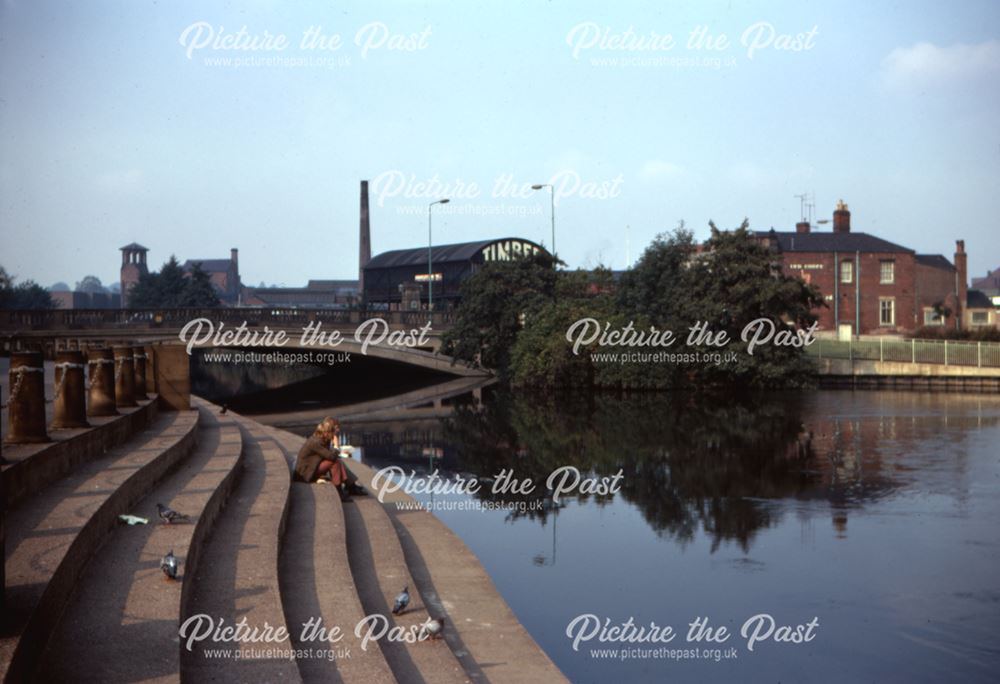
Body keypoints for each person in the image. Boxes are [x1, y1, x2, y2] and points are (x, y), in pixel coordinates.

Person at [294, 417, 366, 500]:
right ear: (331, 429)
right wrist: (336, 446)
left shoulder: (323, 438)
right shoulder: (316, 442)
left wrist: (336, 450)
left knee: (337, 460)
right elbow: (331, 457)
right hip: (305, 474)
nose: (338, 431)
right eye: (337, 428)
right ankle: (340, 490)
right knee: (334, 462)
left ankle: (351, 486)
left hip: (313, 467)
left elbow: (329, 454)